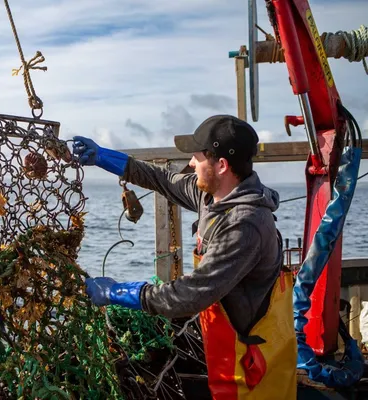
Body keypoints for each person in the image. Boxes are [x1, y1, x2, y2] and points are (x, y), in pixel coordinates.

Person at [72, 115, 297, 400]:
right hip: (230, 346)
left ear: (222, 166)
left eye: (197, 158)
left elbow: (190, 295)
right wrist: (103, 156)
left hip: (254, 363)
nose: (191, 164)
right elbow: (162, 179)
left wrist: (117, 292)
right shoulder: (213, 197)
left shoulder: (245, 225)